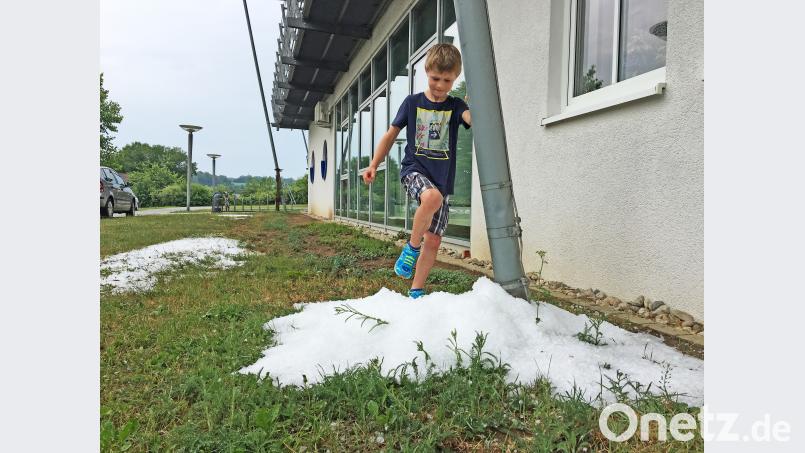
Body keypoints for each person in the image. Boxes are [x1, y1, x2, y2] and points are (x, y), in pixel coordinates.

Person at [362, 43, 472, 299]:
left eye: (447, 80)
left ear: (455, 78)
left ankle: (416, 291)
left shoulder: (455, 106)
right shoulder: (412, 103)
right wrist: (374, 164)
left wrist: (474, 98)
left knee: (433, 241)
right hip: (414, 170)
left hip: (442, 181)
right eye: (436, 78)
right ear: (427, 71)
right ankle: (411, 249)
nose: (441, 85)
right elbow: (391, 135)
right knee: (431, 198)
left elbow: (471, 119)